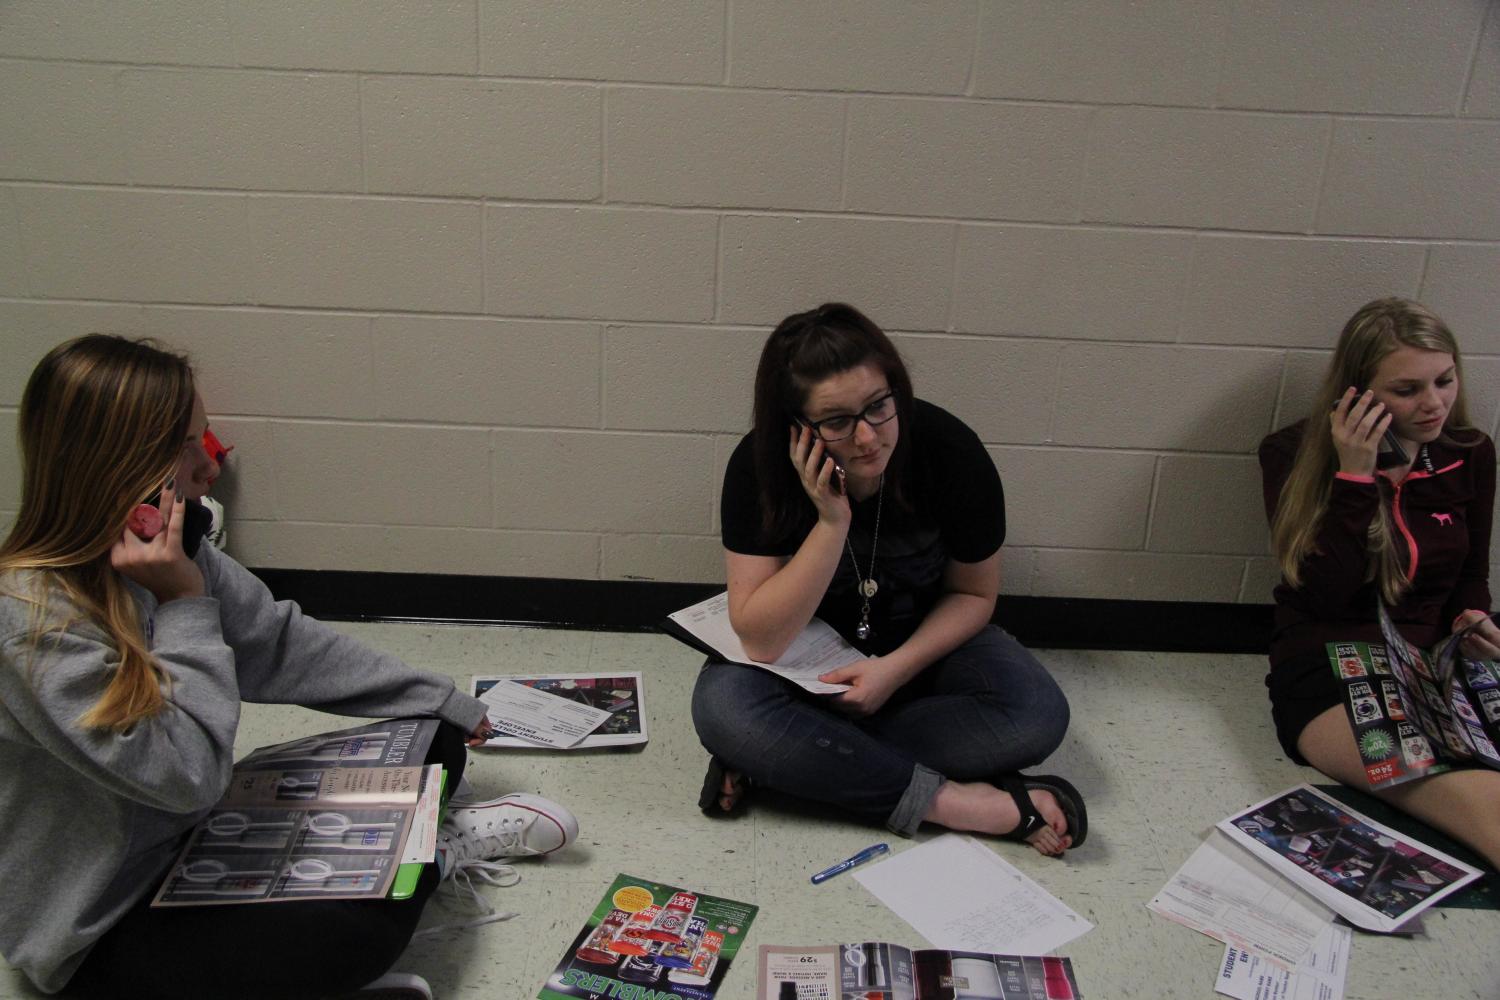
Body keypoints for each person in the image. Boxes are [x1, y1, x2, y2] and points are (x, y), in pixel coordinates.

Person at [0, 335, 579, 1000]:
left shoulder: (163, 551)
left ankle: (416, 851)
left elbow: (280, 642)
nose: (208, 467)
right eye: (186, 446)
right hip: (105, 929)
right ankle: (434, 856)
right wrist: (185, 605)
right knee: (348, 937)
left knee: (429, 732)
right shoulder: (30, 618)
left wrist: (439, 697)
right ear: (117, 465)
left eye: (205, 437)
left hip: (195, 839)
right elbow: (187, 774)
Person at [691, 303, 1084, 855]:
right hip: (801, 668)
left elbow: (973, 594)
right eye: (836, 422)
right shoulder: (759, 467)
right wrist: (831, 521)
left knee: (1036, 715)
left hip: (918, 651)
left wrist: (893, 672)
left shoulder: (949, 451)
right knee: (726, 708)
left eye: (879, 406)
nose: (868, 437)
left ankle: (793, 763)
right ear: (797, 428)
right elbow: (761, 636)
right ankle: (957, 804)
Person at [1260, 296, 1500, 869]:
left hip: (1438, 654)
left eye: (1444, 380)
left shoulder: (1469, 452)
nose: (1434, 403)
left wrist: (1474, 616)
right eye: (1407, 389)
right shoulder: (1290, 454)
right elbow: (1322, 595)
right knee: (1468, 796)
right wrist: (1355, 476)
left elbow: (1471, 574)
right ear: (1357, 394)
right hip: (1332, 659)